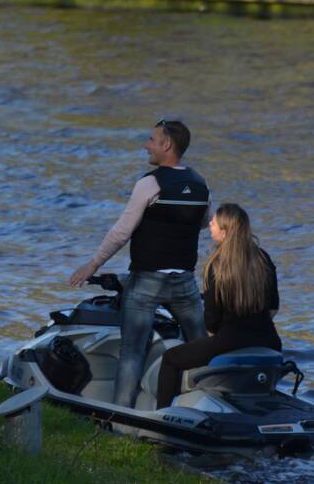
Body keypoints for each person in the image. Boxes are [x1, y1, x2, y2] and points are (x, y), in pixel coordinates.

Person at [68, 119, 211, 407]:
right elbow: (207, 222)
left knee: (132, 352)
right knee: (201, 348)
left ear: (166, 145)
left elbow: (122, 232)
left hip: (147, 282)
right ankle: (209, 403)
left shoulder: (150, 183)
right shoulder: (199, 183)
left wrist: (92, 265)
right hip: (185, 283)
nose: (147, 145)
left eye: (151, 139)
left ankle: (119, 419)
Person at [155, 203, 281, 409]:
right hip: (269, 340)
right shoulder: (263, 258)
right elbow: (273, 307)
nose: (209, 224)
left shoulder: (217, 264)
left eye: (213, 222)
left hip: (230, 340)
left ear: (224, 231)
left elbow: (212, 321)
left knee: (170, 359)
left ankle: (162, 420)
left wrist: (217, 336)